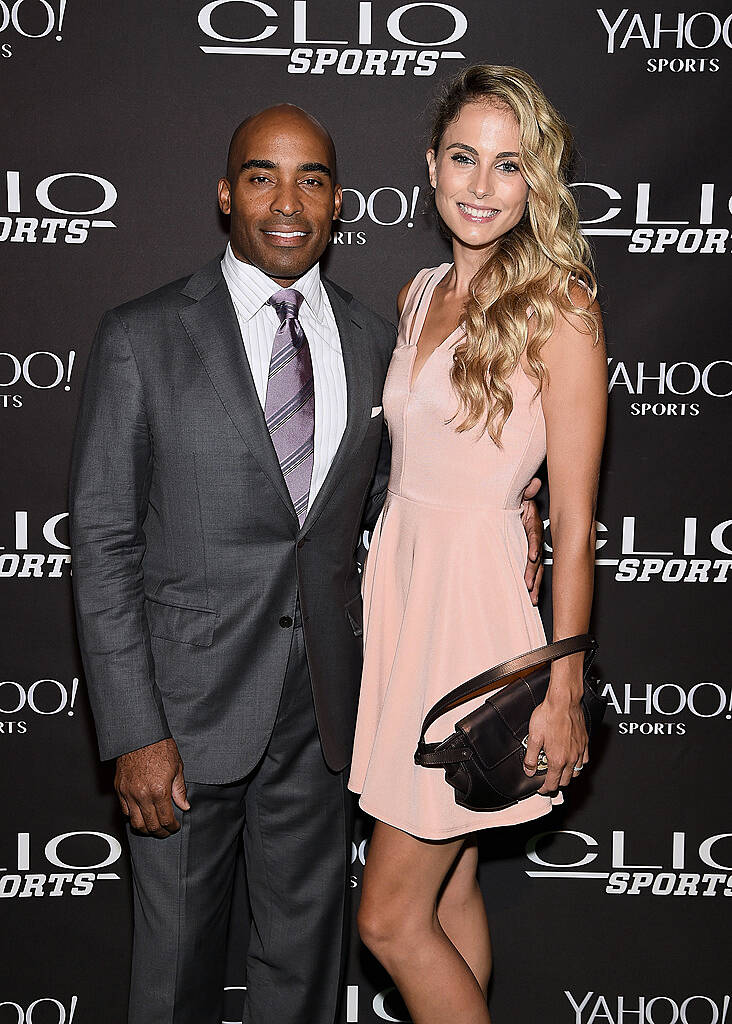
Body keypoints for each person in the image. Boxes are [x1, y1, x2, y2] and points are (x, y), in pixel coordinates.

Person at [69, 102, 546, 1024]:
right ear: (225, 194)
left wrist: (512, 505)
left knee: (303, 979)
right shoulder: (143, 335)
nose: (287, 202)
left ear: (338, 202)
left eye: (312, 181)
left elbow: (393, 498)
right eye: (261, 177)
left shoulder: (382, 339)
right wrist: (133, 729)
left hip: (329, 720)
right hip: (183, 719)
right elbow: (102, 544)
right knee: (171, 981)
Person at [349, 65, 607, 1024]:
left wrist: (564, 688)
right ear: (431, 166)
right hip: (405, 599)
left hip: (478, 627)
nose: (481, 185)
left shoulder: (561, 305)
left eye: (509, 166)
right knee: (447, 890)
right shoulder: (420, 292)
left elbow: (575, 519)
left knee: (387, 920)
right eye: (464, 158)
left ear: (534, 183)